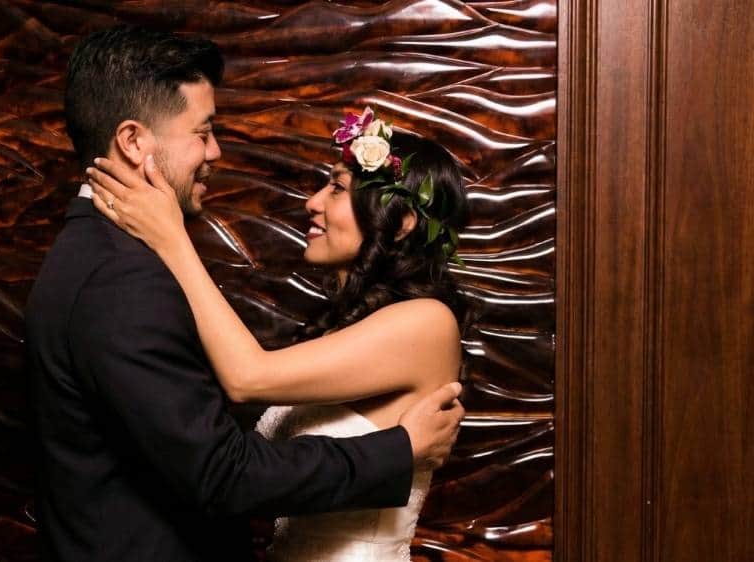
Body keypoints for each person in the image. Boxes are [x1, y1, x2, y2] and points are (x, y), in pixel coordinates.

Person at [24, 25, 464, 562]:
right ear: (134, 141)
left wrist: (170, 239)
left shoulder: (423, 322)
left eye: (337, 188)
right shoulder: (120, 278)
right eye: (203, 131)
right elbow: (224, 464)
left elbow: (234, 399)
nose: (216, 151)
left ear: (400, 224)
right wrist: (399, 451)